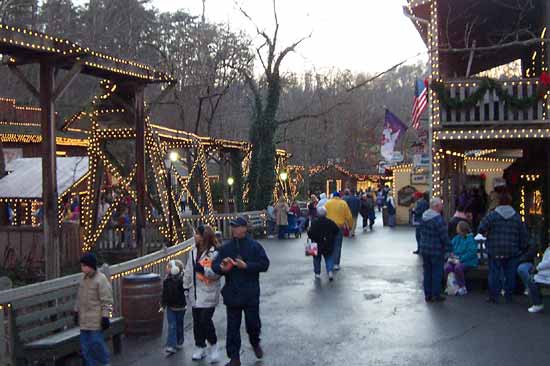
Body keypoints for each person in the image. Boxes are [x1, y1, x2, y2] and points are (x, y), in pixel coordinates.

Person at [212, 217, 270, 366]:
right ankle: (234, 357)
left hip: (250, 292)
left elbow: (264, 264)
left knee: (253, 324)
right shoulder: (226, 247)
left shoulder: (254, 246)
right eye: (232, 227)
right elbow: (215, 264)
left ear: (244, 228)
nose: (234, 230)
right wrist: (222, 268)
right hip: (232, 292)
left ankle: (255, 342)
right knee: (232, 328)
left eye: (237, 227)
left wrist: (247, 266)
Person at [478, 193, 528, 304]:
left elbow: (481, 228)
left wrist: (488, 233)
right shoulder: (516, 217)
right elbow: (523, 234)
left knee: (494, 273)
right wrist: (522, 247)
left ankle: (493, 296)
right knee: (510, 274)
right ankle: (508, 296)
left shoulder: (492, 215)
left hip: (494, 248)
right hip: (512, 249)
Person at [183, 225, 222, 362]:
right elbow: (188, 269)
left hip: (208, 291)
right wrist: (185, 287)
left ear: (203, 236)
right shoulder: (193, 252)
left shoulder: (214, 253)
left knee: (205, 320)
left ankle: (214, 345)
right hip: (195, 292)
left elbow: (216, 273)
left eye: (197, 234)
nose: (195, 236)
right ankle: (200, 346)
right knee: (197, 321)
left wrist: (203, 270)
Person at [74, 253, 114, 366]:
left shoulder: (101, 280)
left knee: (96, 344)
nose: (82, 268)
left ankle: (104, 362)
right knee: (86, 348)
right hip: (84, 321)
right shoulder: (83, 280)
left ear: (90, 266)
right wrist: (76, 311)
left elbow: (107, 300)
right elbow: (79, 298)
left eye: (84, 265)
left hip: (96, 320)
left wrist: (106, 316)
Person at [419, 198, 451, 302]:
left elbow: (420, 231)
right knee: (437, 272)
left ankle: (427, 294)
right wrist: (449, 248)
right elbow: (444, 236)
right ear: (436, 206)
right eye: (441, 205)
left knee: (427, 272)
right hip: (436, 249)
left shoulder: (424, 217)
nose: (442, 207)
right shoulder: (438, 219)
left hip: (425, 248)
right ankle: (436, 294)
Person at [444, 221, 479, 296]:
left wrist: (460, 259)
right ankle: (451, 286)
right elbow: (450, 247)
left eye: (458, 227)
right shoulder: (457, 238)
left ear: (462, 229)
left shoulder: (470, 239)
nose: (456, 229)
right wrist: (451, 254)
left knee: (458, 268)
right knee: (447, 267)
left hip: (468, 261)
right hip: (455, 259)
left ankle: (462, 287)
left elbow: (471, 253)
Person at [161, 259, 186, 355]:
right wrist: (163, 304)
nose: (167, 269)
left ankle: (179, 341)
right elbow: (165, 294)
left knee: (179, 325)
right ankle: (171, 345)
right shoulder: (166, 281)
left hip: (181, 307)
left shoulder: (182, 280)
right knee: (172, 325)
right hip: (171, 307)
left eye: (169, 267)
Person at [308, 206, 339, 281]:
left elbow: (310, 233)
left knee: (316, 258)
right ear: (326, 213)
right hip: (328, 243)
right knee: (329, 257)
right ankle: (330, 271)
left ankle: (317, 273)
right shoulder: (330, 222)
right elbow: (336, 230)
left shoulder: (314, 222)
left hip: (316, 244)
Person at [325, 192, 353, 271]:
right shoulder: (343, 204)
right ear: (339, 197)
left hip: (329, 227)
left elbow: (323, 214)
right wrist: (350, 226)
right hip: (339, 226)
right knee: (337, 245)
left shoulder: (328, 203)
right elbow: (349, 216)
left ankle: (329, 262)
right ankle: (336, 264)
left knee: (330, 244)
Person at [525, 246, 550, 313]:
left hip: (547, 276)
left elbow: (548, 263)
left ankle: (537, 304)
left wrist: (537, 268)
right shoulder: (548, 249)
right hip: (545, 275)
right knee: (531, 279)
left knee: (532, 281)